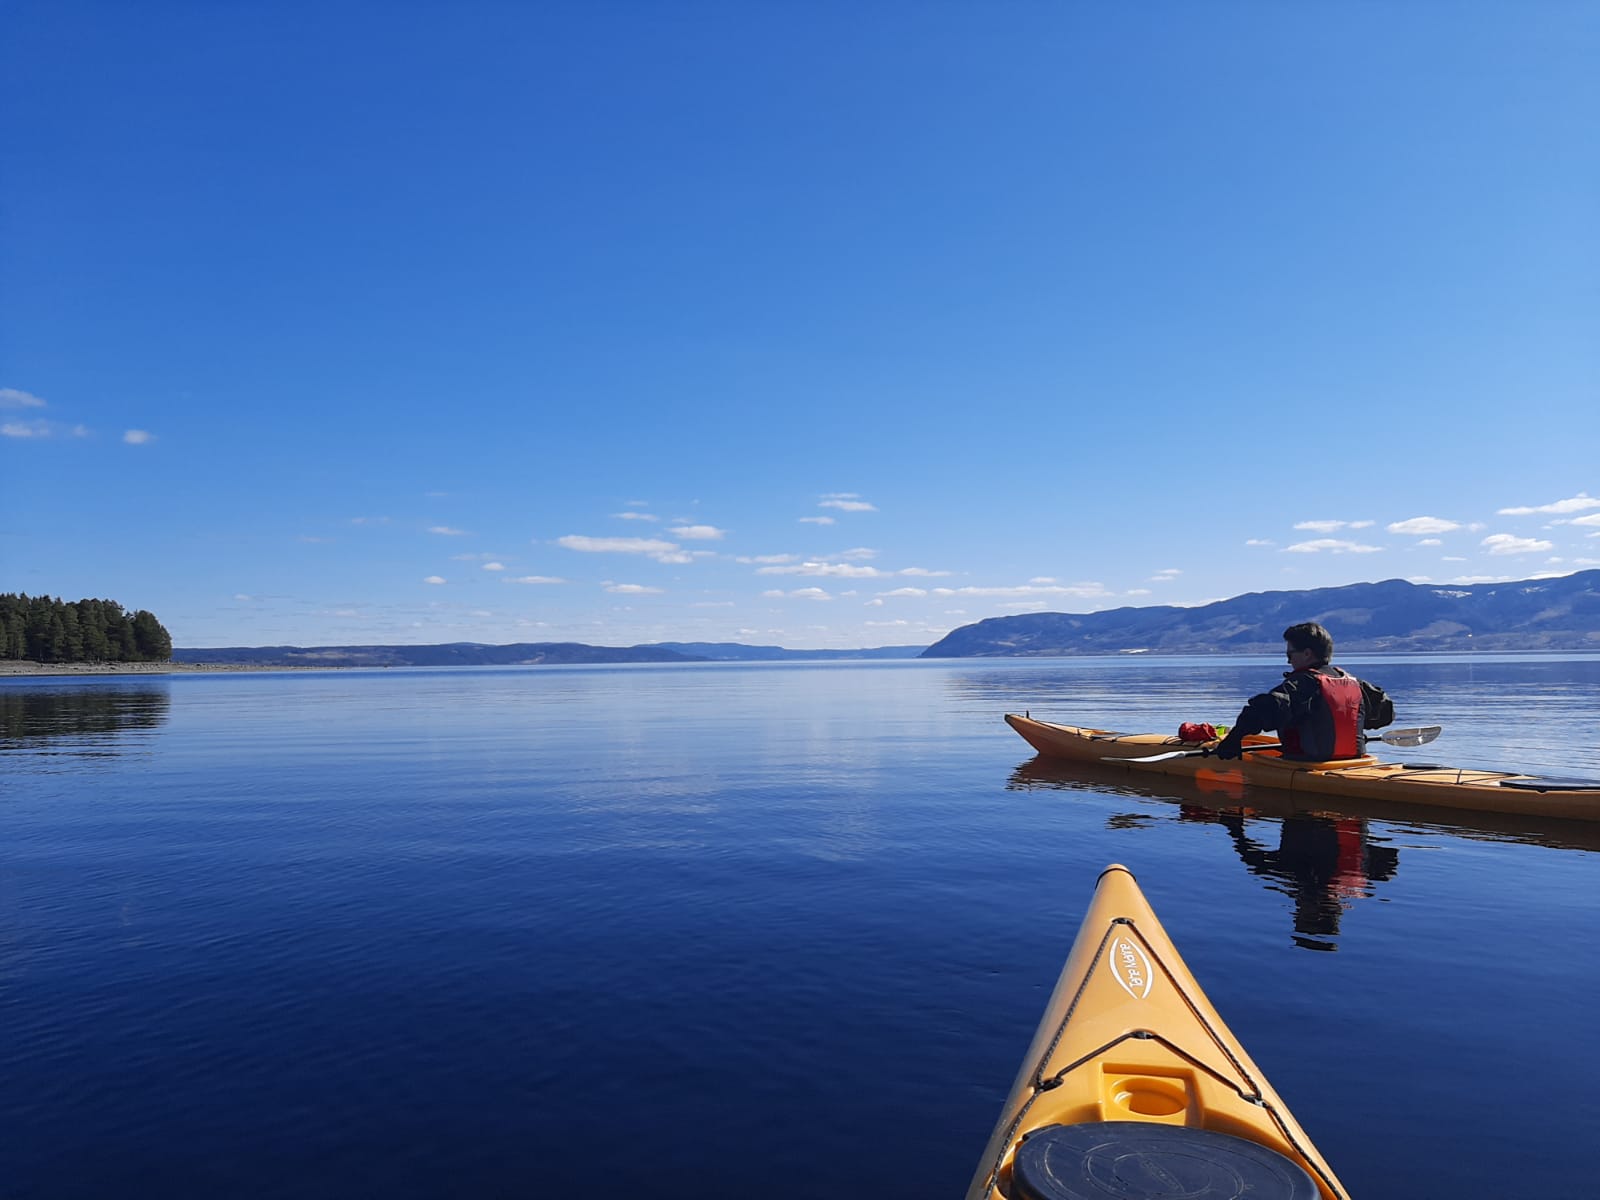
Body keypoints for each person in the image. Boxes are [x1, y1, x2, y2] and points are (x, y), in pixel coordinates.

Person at [1213, 622, 1394, 761]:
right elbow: (1387, 714)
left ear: (1307, 654)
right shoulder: (1356, 683)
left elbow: (1263, 708)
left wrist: (1233, 739)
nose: (1288, 661)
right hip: (1354, 763)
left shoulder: (1302, 684)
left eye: (1289, 655)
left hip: (1305, 764)